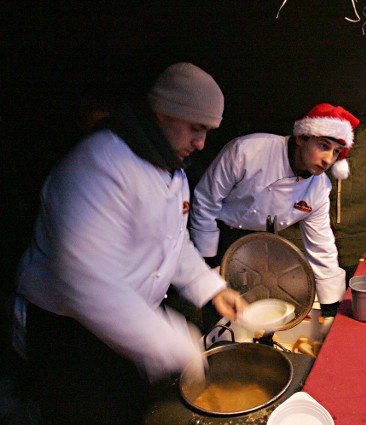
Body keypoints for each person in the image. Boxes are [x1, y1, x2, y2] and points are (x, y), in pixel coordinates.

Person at [12, 62, 247, 425]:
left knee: (131, 410)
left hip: (127, 326)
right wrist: (173, 341)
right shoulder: (97, 167)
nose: (201, 143)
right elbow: (87, 283)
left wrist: (210, 287)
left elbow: (172, 241)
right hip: (70, 336)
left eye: (207, 132)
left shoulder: (171, 171)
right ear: (162, 113)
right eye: (196, 128)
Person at [189, 103, 360, 318]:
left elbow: (322, 244)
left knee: (259, 313)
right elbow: (206, 201)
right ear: (301, 137)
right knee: (219, 314)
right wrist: (208, 261)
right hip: (223, 238)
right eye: (323, 146)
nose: (328, 160)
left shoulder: (319, 187)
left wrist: (330, 306)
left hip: (267, 247)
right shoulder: (246, 151)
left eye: (336, 153)